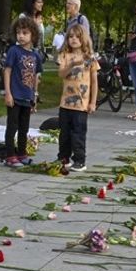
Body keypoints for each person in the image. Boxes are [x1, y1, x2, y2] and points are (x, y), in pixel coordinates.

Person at [55, 22, 99, 173]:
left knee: (78, 133)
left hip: (81, 105)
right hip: (65, 103)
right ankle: (63, 158)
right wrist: (72, 64)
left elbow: (94, 81)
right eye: (70, 36)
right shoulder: (64, 55)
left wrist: (93, 102)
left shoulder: (89, 58)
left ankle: (80, 160)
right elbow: (61, 74)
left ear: (83, 39)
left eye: (77, 37)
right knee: (64, 133)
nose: (73, 39)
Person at [2, 16, 43, 167]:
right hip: (15, 96)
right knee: (12, 126)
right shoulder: (14, 51)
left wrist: (35, 96)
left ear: (33, 34)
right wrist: (8, 93)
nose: (21, 36)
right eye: (18, 32)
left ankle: (21, 153)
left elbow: (36, 77)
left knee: (24, 128)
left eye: (25, 33)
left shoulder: (36, 55)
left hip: (27, 97)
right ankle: (10, 155)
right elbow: (7, 71)